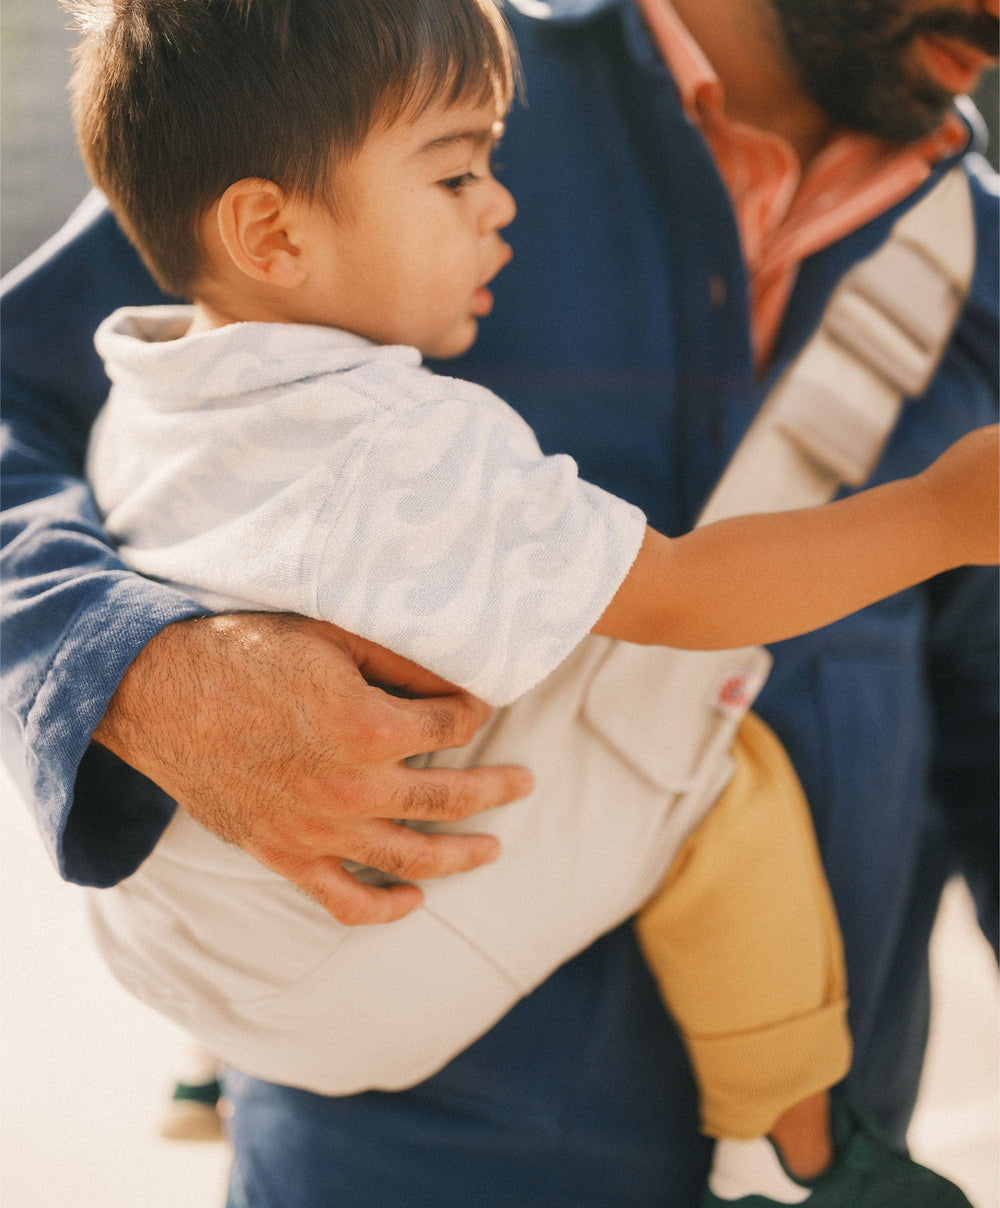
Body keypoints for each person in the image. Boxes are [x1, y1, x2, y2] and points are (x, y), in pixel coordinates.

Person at [1, 0, 996, 1205]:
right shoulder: (358, 67)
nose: (495, 202)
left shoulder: (974, 261)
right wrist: (137, 667)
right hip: (396, 1162)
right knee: (729, 773)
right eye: (465, 174)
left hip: (836, 1107)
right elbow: (21, 395)